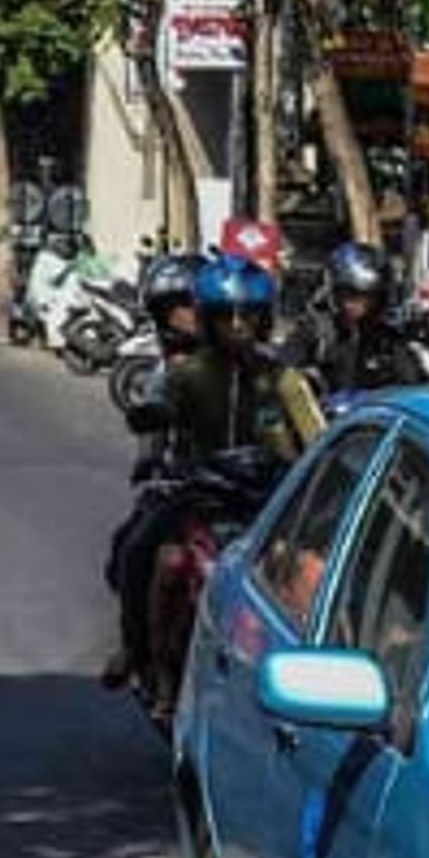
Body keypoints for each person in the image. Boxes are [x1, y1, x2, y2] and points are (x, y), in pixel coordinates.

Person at [100, 256, 289, 693]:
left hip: (265, 500)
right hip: (197, 493)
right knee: (143, 551)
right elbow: (159, 407)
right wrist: (153, 420)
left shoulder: (280, 374)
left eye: (249, 316)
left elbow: (310, 426)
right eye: (226, 316)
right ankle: (138, 651)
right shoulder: (182, 374)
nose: (238, 326)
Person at [280, 241, 428, 397]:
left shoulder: (386, 338)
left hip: (377, 417)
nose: (358, 304)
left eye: (368, 297)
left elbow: (413, 389)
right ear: (335, 291)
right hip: (330, 418)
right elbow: (283, 377)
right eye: (350, 294)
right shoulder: (316, 333)